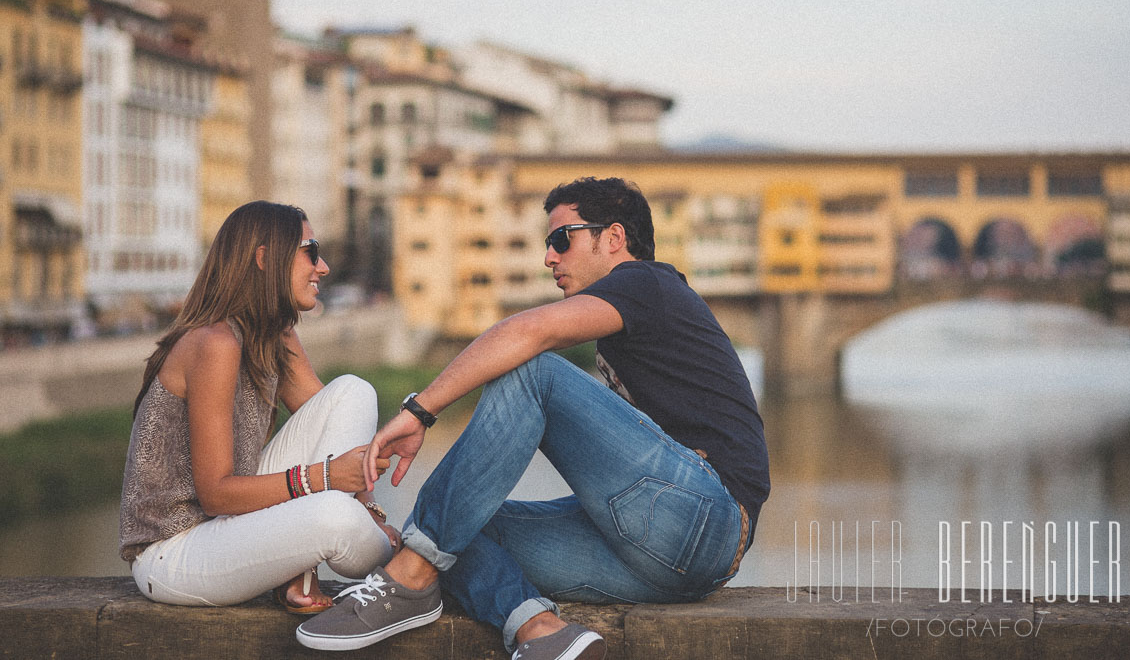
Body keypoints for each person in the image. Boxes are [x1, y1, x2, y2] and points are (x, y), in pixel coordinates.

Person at [296, 177, 771, 659]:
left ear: (613, 238)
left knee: (532, 370)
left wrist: (421, 409)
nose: (549, 257)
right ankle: (539, 630)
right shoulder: (624, 320)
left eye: (561, 239)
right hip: (673, 568)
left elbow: (529, 332)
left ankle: (406, 582)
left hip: (709, 515)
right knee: (454, 525)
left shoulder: (647, 282)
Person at [118, 201, 400, 613]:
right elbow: (215, 495)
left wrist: (366, 504)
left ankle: (304, 572)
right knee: (335, 520)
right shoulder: (215, 343)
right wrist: (325, 479)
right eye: (310, 251)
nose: (322, 267)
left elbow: (334, 430)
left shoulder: (275, 332)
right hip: (172, 555)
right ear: (265, 259)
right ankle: (412, 560)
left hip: (231, 527)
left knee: (353, 392)